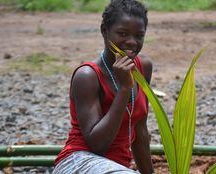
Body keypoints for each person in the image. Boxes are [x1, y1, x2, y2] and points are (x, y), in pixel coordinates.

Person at [52, 0, 154, 173]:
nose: (132, 42)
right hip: (79, 161)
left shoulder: (143, 67)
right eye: (122, 34)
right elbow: (97, 145)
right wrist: (124, 89)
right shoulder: (87, 76)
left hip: (116, 169)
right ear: (104, 31)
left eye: (139, 36)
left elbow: (140, 131)